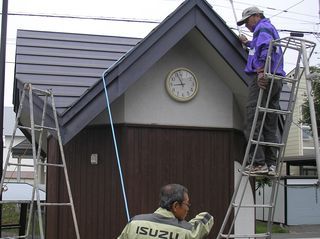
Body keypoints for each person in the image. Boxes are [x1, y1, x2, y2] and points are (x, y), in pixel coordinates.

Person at [237, 7, 286, 175]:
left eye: (247, 21)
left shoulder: (262, 27)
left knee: (253, 118)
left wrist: (261, 72)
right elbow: (262, 46)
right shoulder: (269, 28)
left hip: (264, 78)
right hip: (277, 79)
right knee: (269, 122)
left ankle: (258, 163)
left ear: (257, 16)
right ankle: (271, 164)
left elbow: (265, 48)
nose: (247, 26)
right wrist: (248, 43)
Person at [117, 183, 214, 239]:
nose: (187, 209)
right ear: (175, 206)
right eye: (187, 204)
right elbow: (206, 218)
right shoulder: (186, 232)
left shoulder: (135, 222)